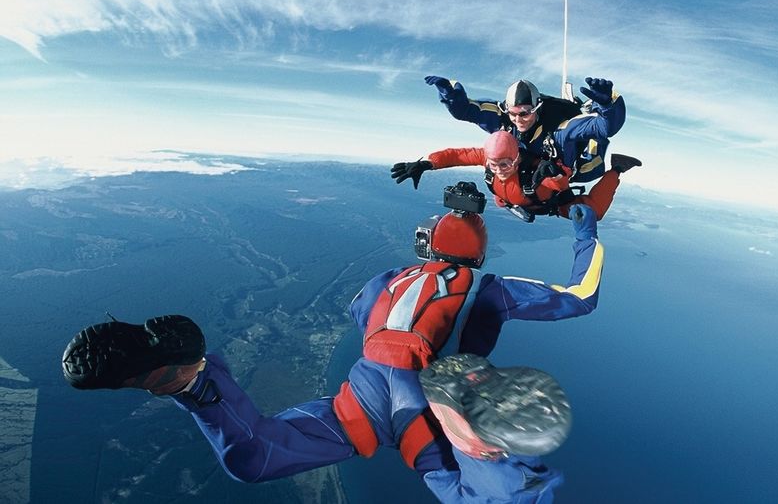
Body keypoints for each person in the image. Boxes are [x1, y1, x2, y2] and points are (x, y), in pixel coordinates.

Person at [62, 191, 604, 503]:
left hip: (368, 393)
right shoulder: (489, 289)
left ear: (428, 245)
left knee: (255, 456)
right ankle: (490, 460)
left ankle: (191, 380)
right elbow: (581, 297)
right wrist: (587, 235)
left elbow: (357, 312)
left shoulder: (385, 278)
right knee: (496, 496)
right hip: (439, 405)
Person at [391, 130, 641, 222]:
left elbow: (559, 182)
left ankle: (617, 168)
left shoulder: (534, 172)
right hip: (514, 201)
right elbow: (456, 154)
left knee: (592, 214)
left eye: (506, 163)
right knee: (505, 193)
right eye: (493, 163)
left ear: (517, 158)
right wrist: (425, 163)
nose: (499, 168)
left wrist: (555, 173)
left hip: (548, 204)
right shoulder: (489, 158)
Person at [425, 75, 627, 183]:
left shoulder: (558, 130)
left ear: (537, 109)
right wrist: (451, 97)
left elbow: (604, 127)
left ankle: (591, 111)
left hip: (569, 167)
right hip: (531, 166)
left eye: (525, 113)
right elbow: (468, 111)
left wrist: (609, 106)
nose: (518, 119)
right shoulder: (503, 120)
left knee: (591, 169)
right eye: (513, 113)